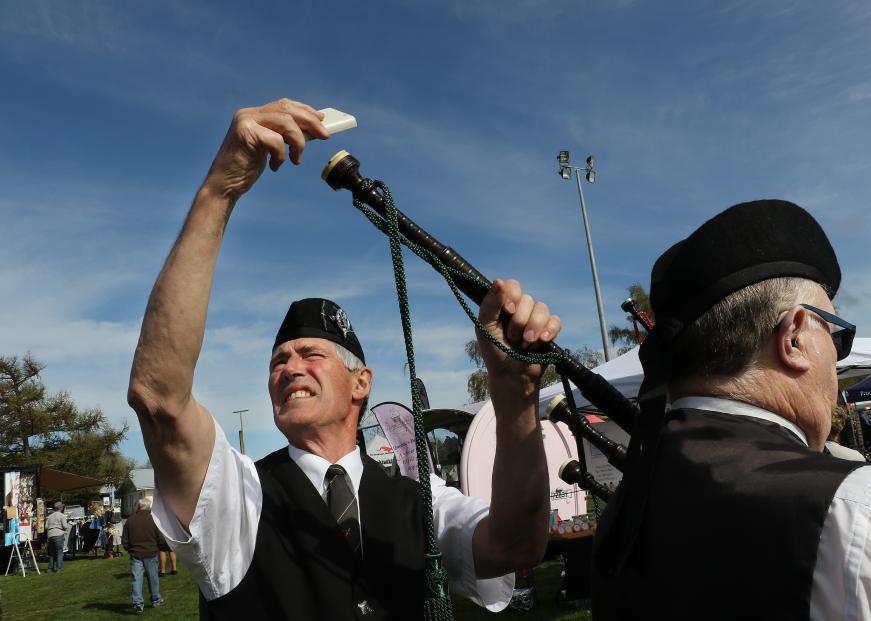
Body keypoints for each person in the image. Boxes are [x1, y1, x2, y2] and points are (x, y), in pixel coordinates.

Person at [127, 98, 559, 619]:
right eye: (278, 361)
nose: (288, 368)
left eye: (310, 354)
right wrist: (219, 191)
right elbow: (158, 399)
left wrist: (515, 398)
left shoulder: (421, 501)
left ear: (361, 384)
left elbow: (516, 545)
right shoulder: (238, 500)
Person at [591, 200, 871, 619]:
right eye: (836, 337)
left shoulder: (627, 507)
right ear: (794, 337)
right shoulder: (870, 512)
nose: (835, 362)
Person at [121, 498, 165, 613]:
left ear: (138, 507)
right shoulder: (153, 520)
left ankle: (138, 604)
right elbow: (160, 538)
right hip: (151, 552)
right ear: (149, 507)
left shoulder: (130, 521)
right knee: (153, 578)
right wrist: (158, 547)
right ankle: (155, 600)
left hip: (136, 554)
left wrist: (129, 549)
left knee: (137, 579)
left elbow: (125, 540)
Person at [45, 501, 68, 573]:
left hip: (50, 535)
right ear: (61, 507)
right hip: (58, 534)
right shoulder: (62, 516)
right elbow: (65, 526)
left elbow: (46, 527)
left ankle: (50, 568)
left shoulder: (49, 516)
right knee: (59, 552)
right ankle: (59, 569)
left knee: (51, 553)